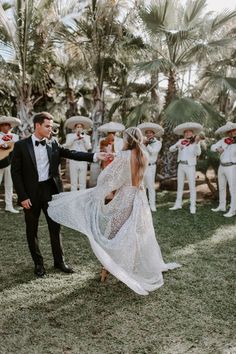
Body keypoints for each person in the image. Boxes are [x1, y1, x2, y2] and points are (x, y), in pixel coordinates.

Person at [48, 127, 180, 296]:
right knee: (136, 230)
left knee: (113, 230)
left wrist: (104, 188)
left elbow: (107, 177)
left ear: (128, 140)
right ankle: (125, 264)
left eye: (124, 139)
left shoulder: (125, 156)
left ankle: (114, 265)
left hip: (126, 196)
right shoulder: (144, 154)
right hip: (140, 196)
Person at [11, 111, 109, 277]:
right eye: (48, 126)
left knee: (55, 227)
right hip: (31, 194)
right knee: (31, 229)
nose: (51, 129)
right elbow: (16, 172)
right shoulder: (21, 146)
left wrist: (95, 156)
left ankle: (59, 261)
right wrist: (22, 196)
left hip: (51, 192)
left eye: (51, 126)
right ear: (37, 126)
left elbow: (72, 154)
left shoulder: (53, 143)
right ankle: (38, 264)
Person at [169, 122, 203, 214]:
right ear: (184, 133)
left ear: (192, 133)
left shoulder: (196, 141)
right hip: (181, 165)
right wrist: (177, 146)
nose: (188, 133)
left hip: (190, 166)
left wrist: (196, 143)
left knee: (192, 186)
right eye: (186, 132)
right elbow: (170, 149)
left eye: (189, 132)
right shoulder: (180, 141)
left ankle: (193, 206)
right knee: (180, 185)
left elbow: (198, 153)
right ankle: (178, 204)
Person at [211, 121, 236, 217]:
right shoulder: (223, 140)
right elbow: (212, 147)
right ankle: (222, 206)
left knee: (233, 189)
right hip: (221, 167)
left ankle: (233, 210)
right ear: (228, 132)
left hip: (232, 167)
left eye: (234, 131)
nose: (232, 132)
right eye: (230, 131)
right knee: (221, 187)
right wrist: (218, 149)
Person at [138, 122, 164, 212]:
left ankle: (152, 205)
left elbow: (153, 152)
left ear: (153, 133)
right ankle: (143, 205)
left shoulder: (158, 143)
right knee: (142, 186)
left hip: (151, 167)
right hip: (142, 166)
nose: (149, 134)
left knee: (150, 186)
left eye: (150, 132)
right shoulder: (141, 143)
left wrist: (146, 144)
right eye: (147, 132)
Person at [64, 116, 92, 190]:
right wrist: (75, 137)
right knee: (73, 183)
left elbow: (88, 147)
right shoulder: (70, 136)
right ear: (75, 128)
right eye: (77, 127)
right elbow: (67, 145)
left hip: (83, 161)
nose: (79, 128)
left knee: (83, 182)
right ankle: (74, 200)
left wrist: (83, 139)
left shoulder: (87, 137)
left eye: (80, 127)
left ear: (83, 128)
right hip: (73, 161)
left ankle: (82, 200)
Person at [0, 115, 21, 213]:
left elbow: (17, 149)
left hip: (10, 162)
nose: (4, 127)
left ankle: (9, 205)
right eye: (2, 125)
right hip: (0, 162)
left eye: (6, 125)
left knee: (9, 185)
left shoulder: (15, 137)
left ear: (10, 127)